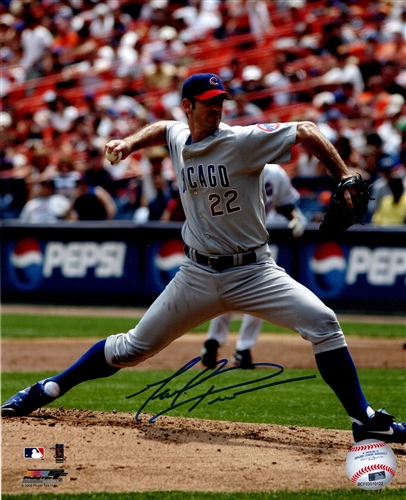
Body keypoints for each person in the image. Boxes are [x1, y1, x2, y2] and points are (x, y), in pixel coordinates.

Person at [2, 73, 405, 445]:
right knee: (131, 349)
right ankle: (47, 388)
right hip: (196, 275)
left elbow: (306, 130)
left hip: (253, 272)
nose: (217, 108)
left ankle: (363, 419)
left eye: (221, 101)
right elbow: (163, 129)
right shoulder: (181, 135)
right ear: (188, 106)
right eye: (208, 102)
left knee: (324, 322)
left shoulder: (241, 141)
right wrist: (128, 143)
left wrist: (344, 176)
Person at [202, 163, 307, 369]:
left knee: (257, 293)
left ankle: (235, 347)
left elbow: (286, 205)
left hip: (256, 241)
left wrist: (295, 218)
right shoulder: (233, 166)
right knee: (230, 293)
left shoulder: (274, 172)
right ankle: (218, 342)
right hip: (227, 238)